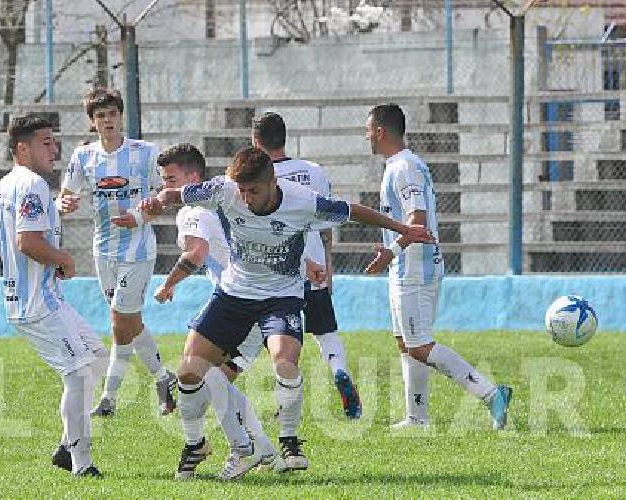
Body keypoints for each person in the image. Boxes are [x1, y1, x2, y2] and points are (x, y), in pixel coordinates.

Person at [138, 147, 435, 480]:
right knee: (190, 372)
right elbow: (176, 192)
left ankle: (289, 442)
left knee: (284, 361)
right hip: (234, 293)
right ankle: (196, 445)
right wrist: (159, 200)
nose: (246, 199)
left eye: (254, 191)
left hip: (281, 296)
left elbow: (352, 211)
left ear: (272, 182)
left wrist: (401, 228)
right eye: (243, 191)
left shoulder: (302, 202)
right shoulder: (224, 190)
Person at [150, 143, 298, 479]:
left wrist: (168, 283)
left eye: (171, 180)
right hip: (249, 299)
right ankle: (256, 447)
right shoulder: (224, 200)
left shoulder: (194, 210)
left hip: (242, 303)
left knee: (206, 375)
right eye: (163, 180)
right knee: (213, 376)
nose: (166, 187)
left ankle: (243, 447)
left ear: (193, 177)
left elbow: (197, 252)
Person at [0, 113, 106, 477]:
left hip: (38, 298)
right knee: (78, 375)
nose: (53, 147)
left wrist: (20, 253)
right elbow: (27, 241)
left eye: (53, 139)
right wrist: (62, 257)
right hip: (37, 303)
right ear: (22, 148)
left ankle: (66, 447)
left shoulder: (3, 187)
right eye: (45, 141)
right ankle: (82, 464)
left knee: (95, 358)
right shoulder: (32, 185)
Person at [361, 104, 513, 430]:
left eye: (368, 130)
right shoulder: (400, 165)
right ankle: (417, 418)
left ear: (380, 131)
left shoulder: (404, 168)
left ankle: (490, 393)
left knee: (418, 344)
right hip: (405, 269)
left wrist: (390, 252)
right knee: (406, 343)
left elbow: (417, 222)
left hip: (415, 270)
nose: (366, 136)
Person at [58, 89, 177, 417]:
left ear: (121, 116)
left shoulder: (144, 152)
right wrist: (62, 203)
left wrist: (139, 216)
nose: (107, 121)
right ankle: (157, 380)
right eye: (100, 116)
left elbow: (165, 193)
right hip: (103, 250)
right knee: (126, 323)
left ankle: (122, 393)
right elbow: (65, 195)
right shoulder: (83, 157)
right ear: (92, 122)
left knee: (119, 320)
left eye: (112, 114)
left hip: (138, 250)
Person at [252, 112, 363, 432]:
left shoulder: (260, 176)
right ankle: (340, 371)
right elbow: (328, 225)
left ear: (255, 142)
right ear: (285, 138)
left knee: (280, 338)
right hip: (316, 265)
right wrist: (330, 268)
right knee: (325, 331)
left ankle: (285, 400)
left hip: (279, 270)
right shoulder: (313, 171)